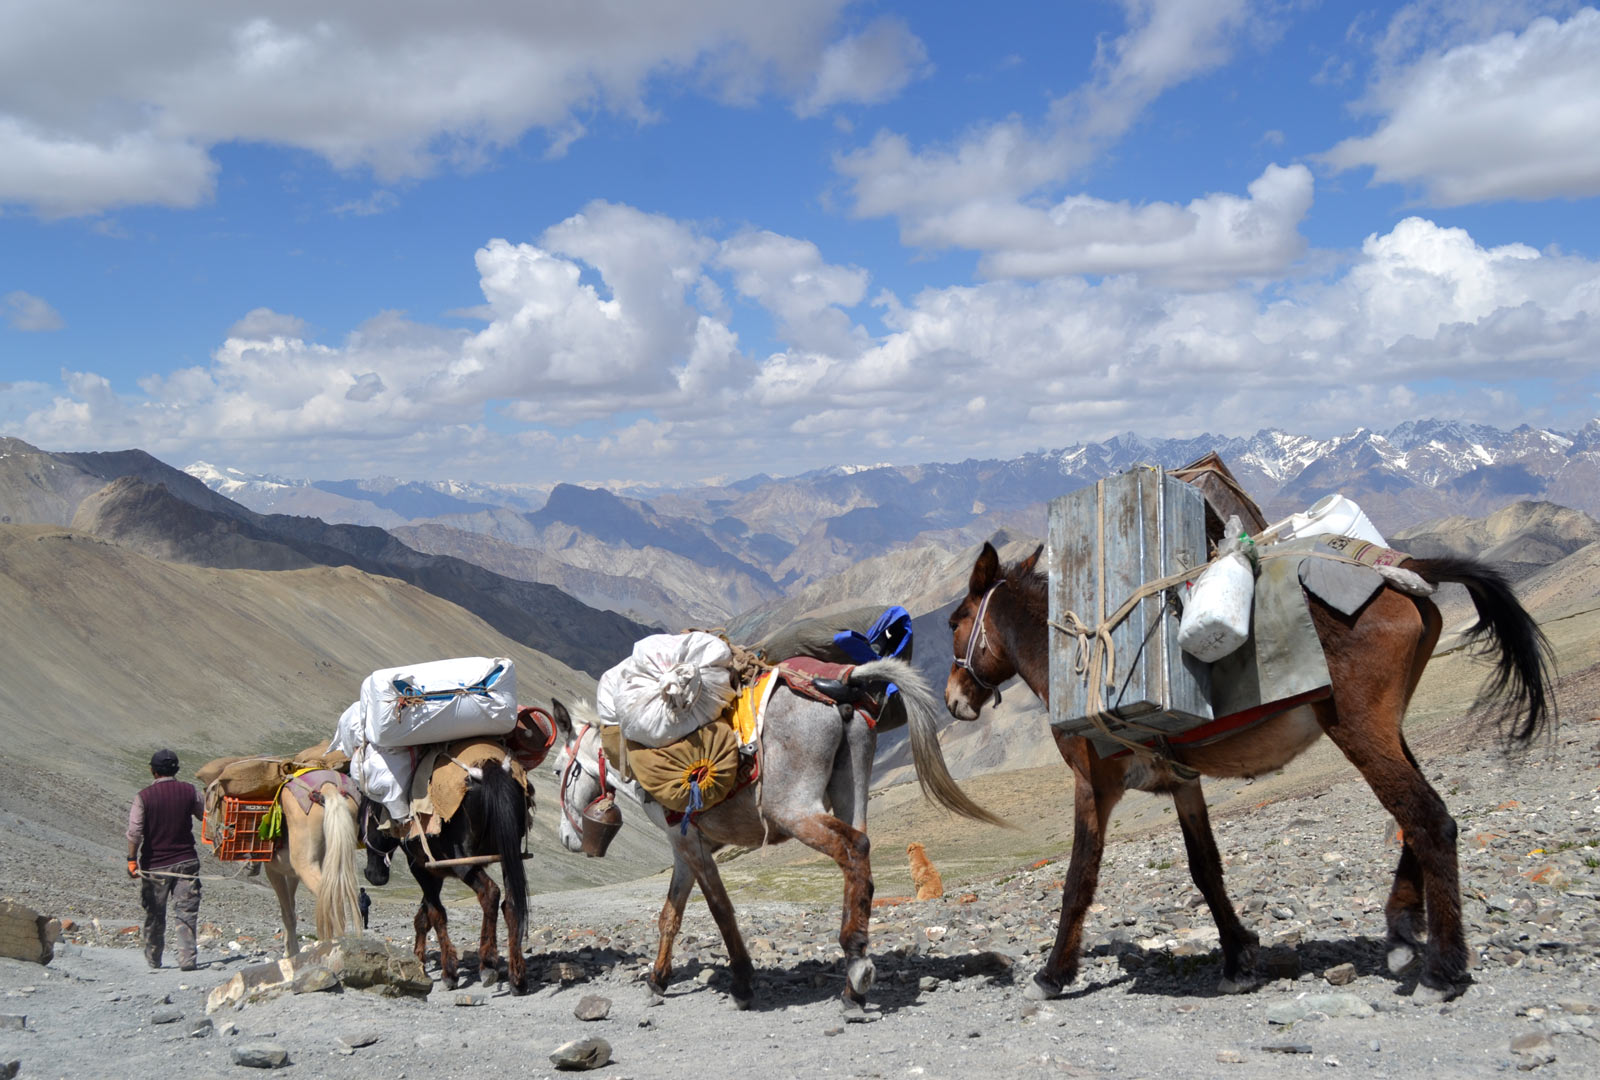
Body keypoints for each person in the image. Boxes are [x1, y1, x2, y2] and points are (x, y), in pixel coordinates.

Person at [126, 748, 204, 970]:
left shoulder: (143, 797)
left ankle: (154, 959)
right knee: (186, 911)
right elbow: (205, 814)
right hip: (186, 861)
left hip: (155, 865)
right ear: (176, 770)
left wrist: (132, 859)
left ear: (153, 771)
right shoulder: (190, 791)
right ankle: (187, 959)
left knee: (155, 913)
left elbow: (134, 832)